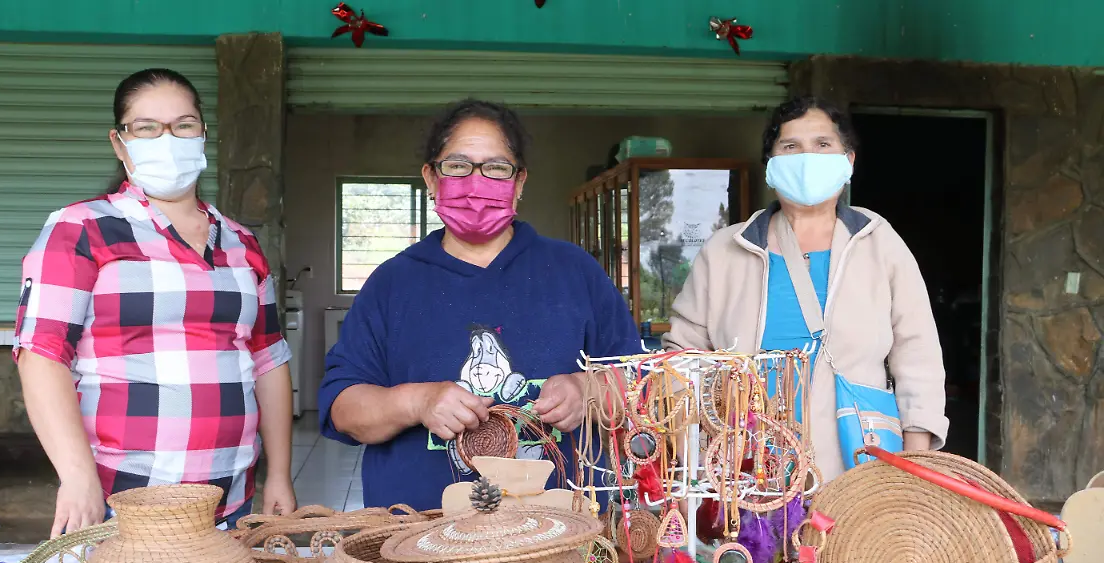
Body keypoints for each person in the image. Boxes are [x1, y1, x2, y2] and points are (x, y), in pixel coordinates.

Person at [319, 99, 642, 511]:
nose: (476, 182)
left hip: (558, 537)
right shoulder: (392, 282)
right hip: (420, 538)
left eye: (496, 167)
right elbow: (343, 408)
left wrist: (587, 390)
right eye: (457, 166)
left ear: (520, 181)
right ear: (431, 178)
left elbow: (638, 384)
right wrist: (417, 401)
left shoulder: (574, 272)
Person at [14, 68, 297, 538]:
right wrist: (77, 475)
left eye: (183, 125)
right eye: (147, 128)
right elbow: (42, 354)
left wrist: (280, 474)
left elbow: (268, 358)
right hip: (123, 497)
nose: (168, 139)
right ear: (120, 143)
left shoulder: (242, 243)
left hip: (230, 495)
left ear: (202, 134)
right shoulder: (82, 229)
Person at [663, 96, 948, 482]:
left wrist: (914, 468)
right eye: (790, 146)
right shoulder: (726, 251)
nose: (807, 157)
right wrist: (693, 449)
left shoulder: (879, 243)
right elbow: (683, 356)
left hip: (859, 467)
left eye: (823, 144)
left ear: (848, 161)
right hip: (748, 473)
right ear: (771, 166)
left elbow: (918, 356)